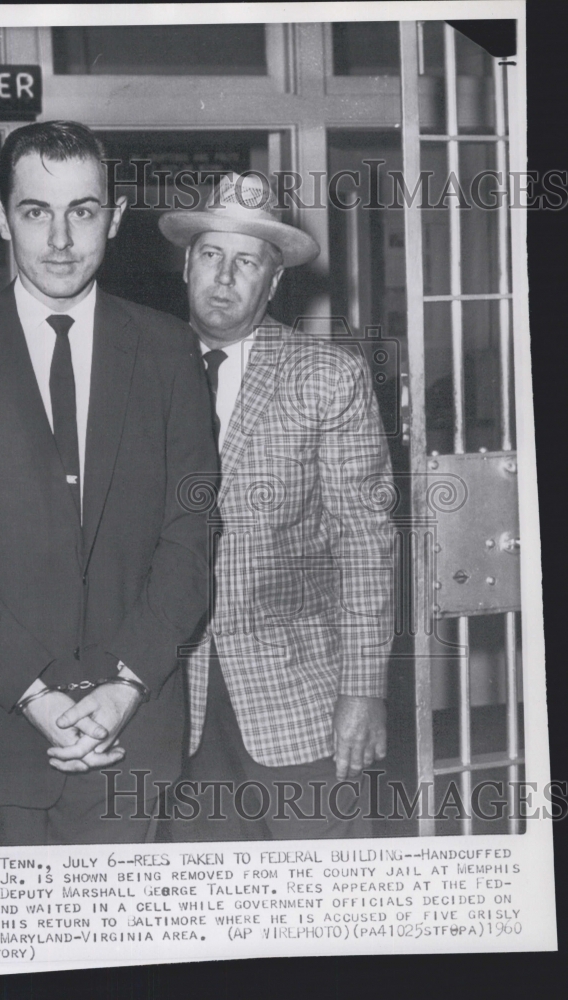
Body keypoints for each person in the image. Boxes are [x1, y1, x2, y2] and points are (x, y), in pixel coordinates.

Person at [0, 121, 217, 847]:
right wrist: (36, 695)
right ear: (3, 217)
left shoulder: (169, 353)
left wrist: (125, 686)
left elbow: (189, 536)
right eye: (37, 211)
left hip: (132, 736)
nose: (62, 239)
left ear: (116, 217)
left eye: (84, 210)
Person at [159, 172, 393, 840]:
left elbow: (365, 540)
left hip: (302, 697)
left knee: (330, 904)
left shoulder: (327, 377)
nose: (225, 277)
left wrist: (364, 689)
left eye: (247, 261)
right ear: (186, 265)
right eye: (211, 255)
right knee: (206, 909)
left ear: (274, 281)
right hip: (174, 703)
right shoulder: (140, 370)